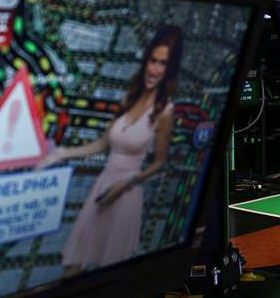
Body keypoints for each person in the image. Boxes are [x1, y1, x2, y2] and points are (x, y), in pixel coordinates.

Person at [36, 25, 183, 273]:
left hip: (125, 194)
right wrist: (61, 153)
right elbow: (101, 144)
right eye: (152, 60)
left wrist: (126, 183)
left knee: (109, 271)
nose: (154, 69)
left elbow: (160, 162)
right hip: (103, 186)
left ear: (169, 70)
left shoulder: (165, 111)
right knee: (73, 265)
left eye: (162, 64)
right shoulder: (128, 99)